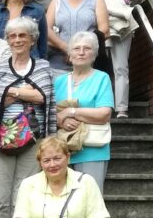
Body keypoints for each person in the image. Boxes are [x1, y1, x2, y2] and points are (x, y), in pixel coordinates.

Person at [0, 17, 56, 218]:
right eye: (12, 36)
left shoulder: (42, 67)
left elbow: (43, 97)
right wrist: (21, 91)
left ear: (32, 40)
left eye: (23, 35)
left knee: (24, 199)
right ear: (7, 40)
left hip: (33, 141)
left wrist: (9, 93)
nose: (17, 40)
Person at [54, 31, 114, 191]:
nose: (81, 52)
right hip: (62, 150)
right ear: (69, 54)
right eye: (76, 48)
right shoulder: (59, 81)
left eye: (87, 48)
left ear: (94, 54)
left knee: (90, 200)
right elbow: (51, 114)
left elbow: (104, 114)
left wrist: (70, 112)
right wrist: (62, 119)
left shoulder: (101, 78)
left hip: (92, 149)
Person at [13, 136, 110, 218]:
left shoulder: (86, 182)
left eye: (57, 158)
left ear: (68, 158)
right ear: (40, 163)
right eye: (46, 160)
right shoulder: (28, 184)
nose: (52, 165)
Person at [96, 0, 137, 118]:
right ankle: (104, 105)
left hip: (120, 20)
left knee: (120, 66)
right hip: (99, 20)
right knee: (101, 65)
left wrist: (108, 5)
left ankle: (121, 108)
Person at [46, 0, 109, 75]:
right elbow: (46, 31)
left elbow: (104, 31)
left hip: (89, 66)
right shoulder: (56, 3)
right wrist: (67, 49)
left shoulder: (97, 0)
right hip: (58, 66)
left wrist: (80, 51)